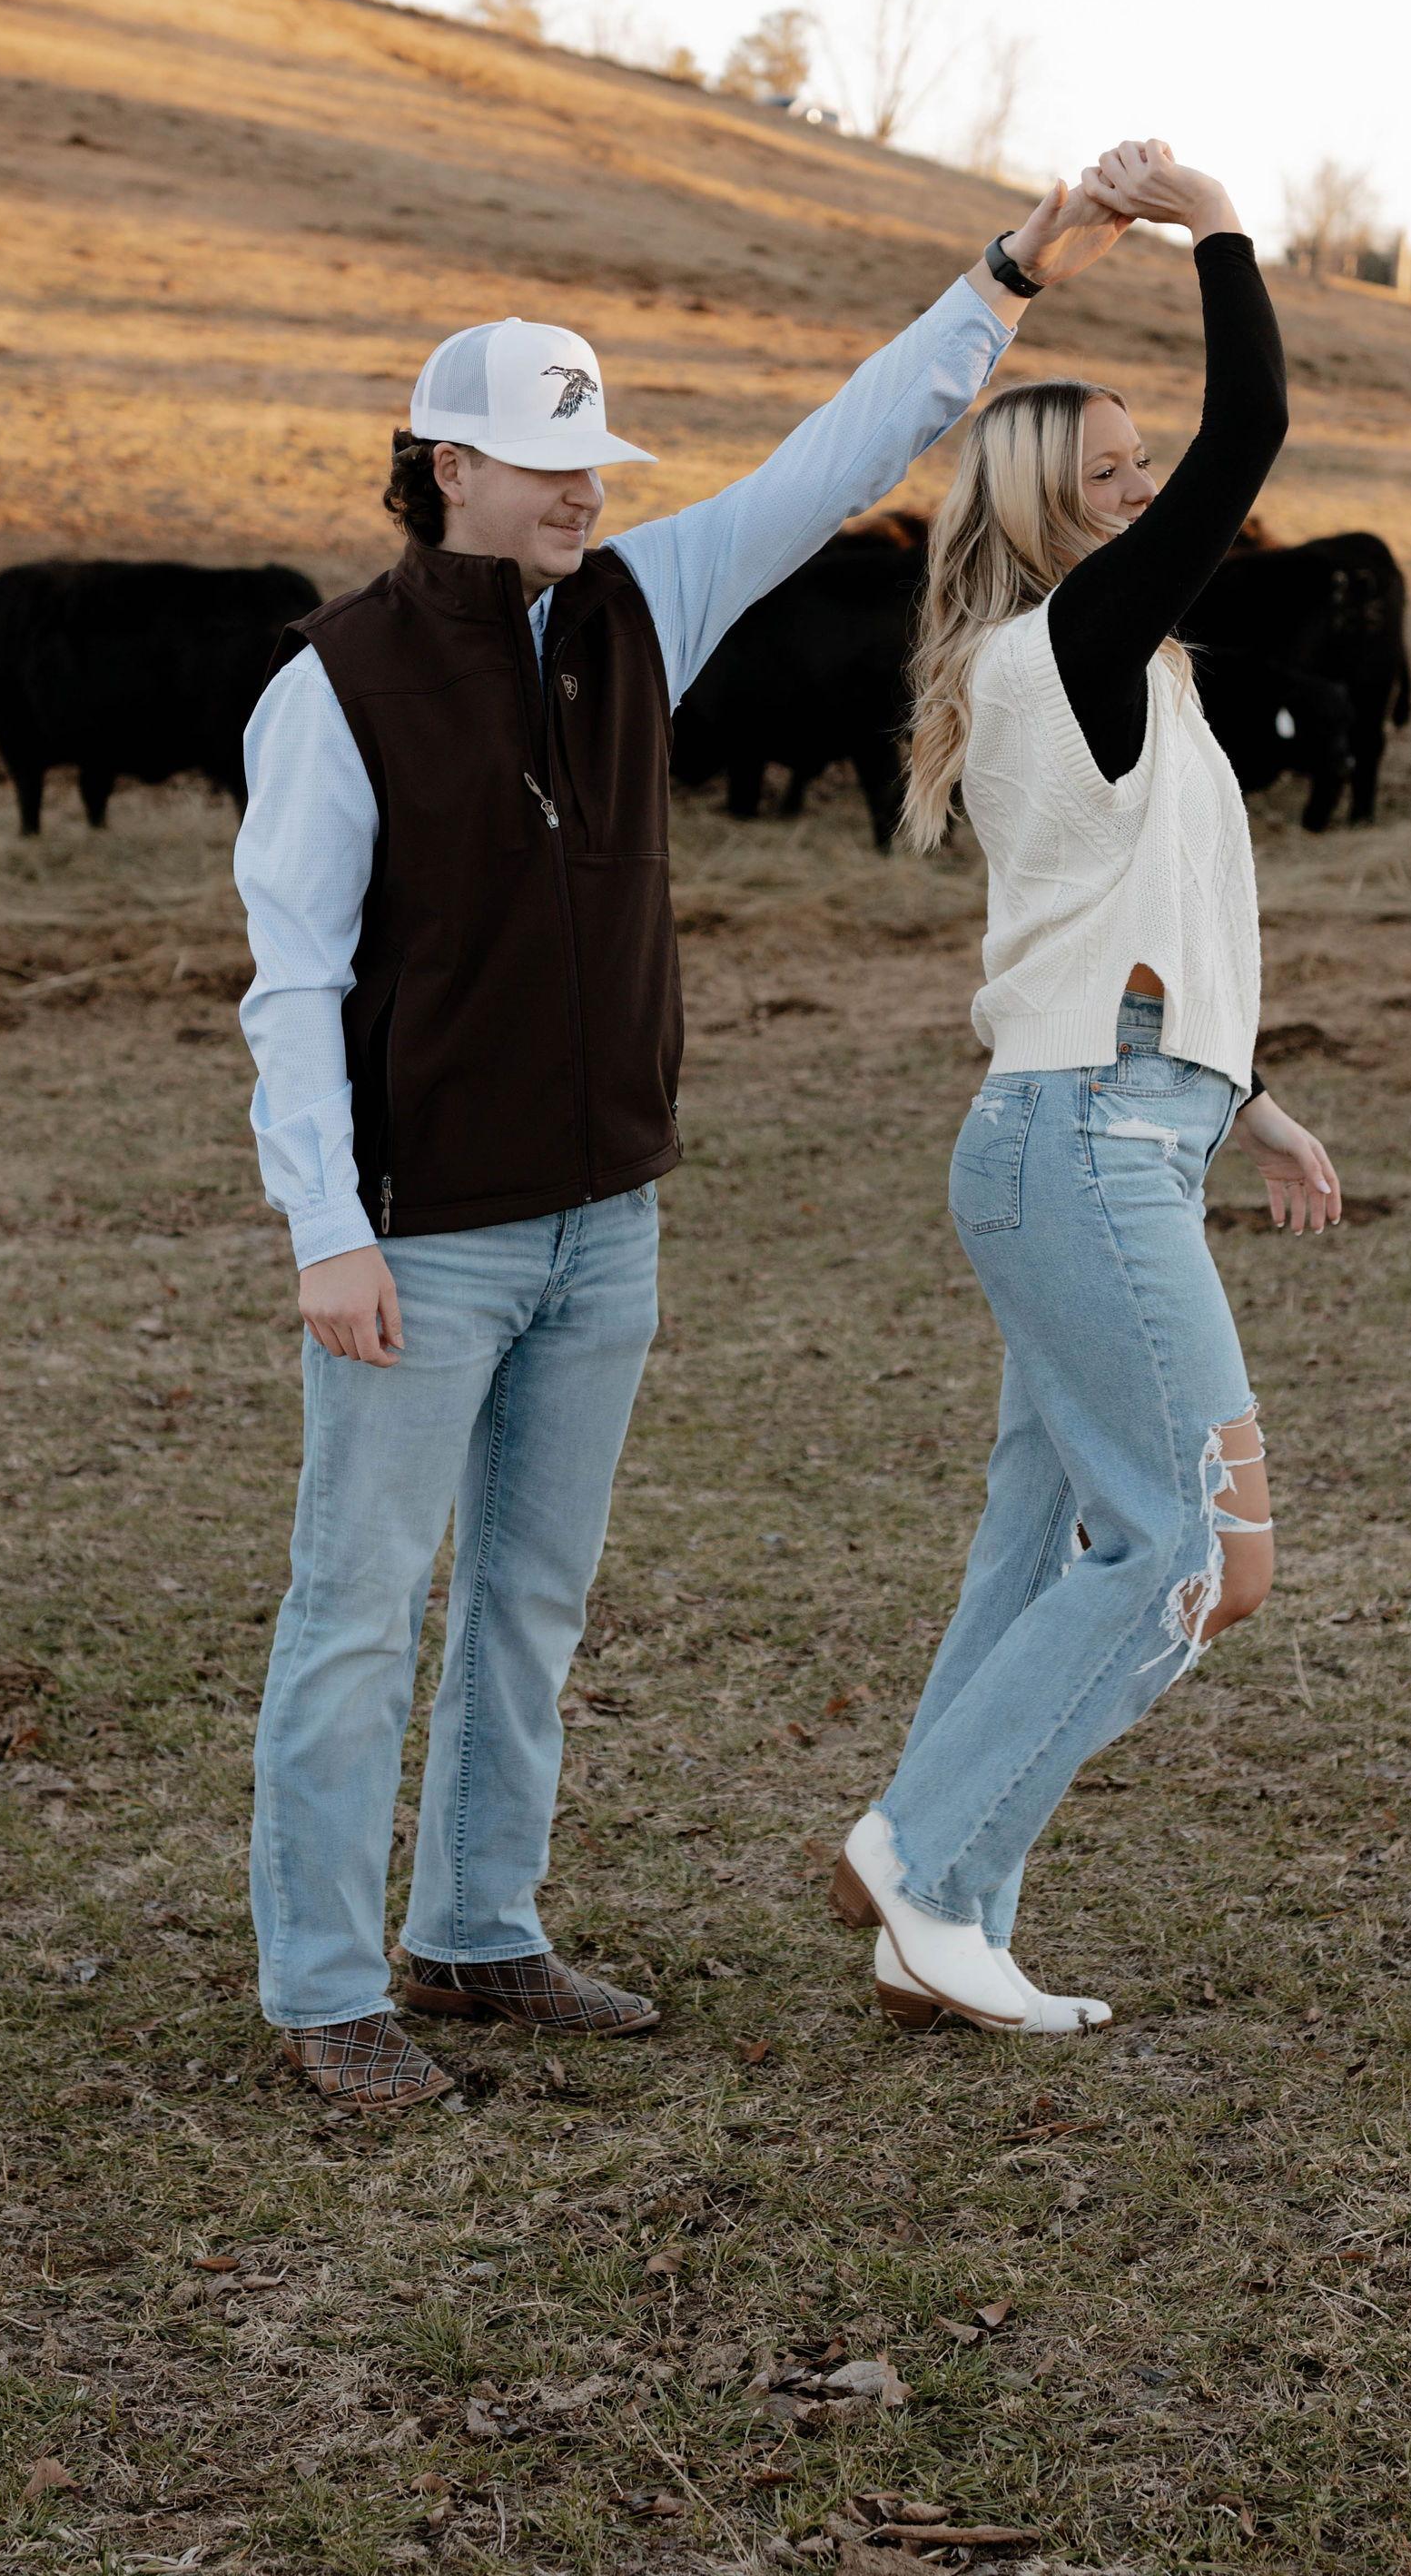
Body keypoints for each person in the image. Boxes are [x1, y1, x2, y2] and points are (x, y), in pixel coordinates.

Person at [232, 178, 1136, 2107]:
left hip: (605, 1220)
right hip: (420, 1231)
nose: (583, 491)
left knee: (531, 1599)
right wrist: (325, 1224)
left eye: (595, 461)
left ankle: (478, 1932)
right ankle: (321, 1985)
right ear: (449, 467)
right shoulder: (332, 685)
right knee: (358, 1612)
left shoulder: (646, 602)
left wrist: (1005, 282)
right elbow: (291, 982)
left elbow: (839, 455)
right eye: (546, 463)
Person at [831, 139, 1346, 2036]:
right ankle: (921, 1849)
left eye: (1146, 466)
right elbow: (1254, 429)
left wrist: (1250, 1101)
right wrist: (1218, 227)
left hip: (1097, 1124)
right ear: (1057, 513)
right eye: (1116, 474)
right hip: (1087, 1145)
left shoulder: (1060, 661)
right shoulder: (1088, 638)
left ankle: (941, 1911)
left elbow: (1134, 918)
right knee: (1197, 1555)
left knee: (1045, 1548)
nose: (1148, 490)